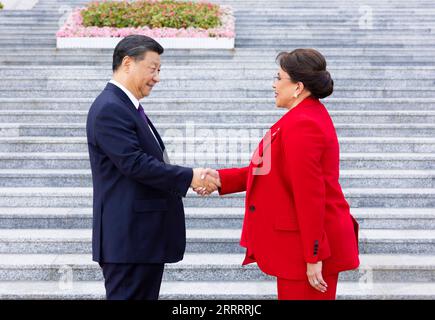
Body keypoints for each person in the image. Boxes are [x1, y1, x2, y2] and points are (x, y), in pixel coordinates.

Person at [199, 48, 360, 300]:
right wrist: (221, 179)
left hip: (309, 249)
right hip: (305, 247)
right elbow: (271, 168)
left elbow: (309, 195)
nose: (274, 85)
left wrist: (313, 255)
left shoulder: (302, 124)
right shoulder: (302, 116)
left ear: (298, 86)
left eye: (278, 78)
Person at [86, 35, 219, 300]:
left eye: (159, 70)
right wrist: (190, 177)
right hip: (128, 241)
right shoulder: (110, 108)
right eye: (152, 68)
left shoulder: (126, 107)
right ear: (127, 63)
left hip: (140, 240)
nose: (157, 77)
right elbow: (135, 164)